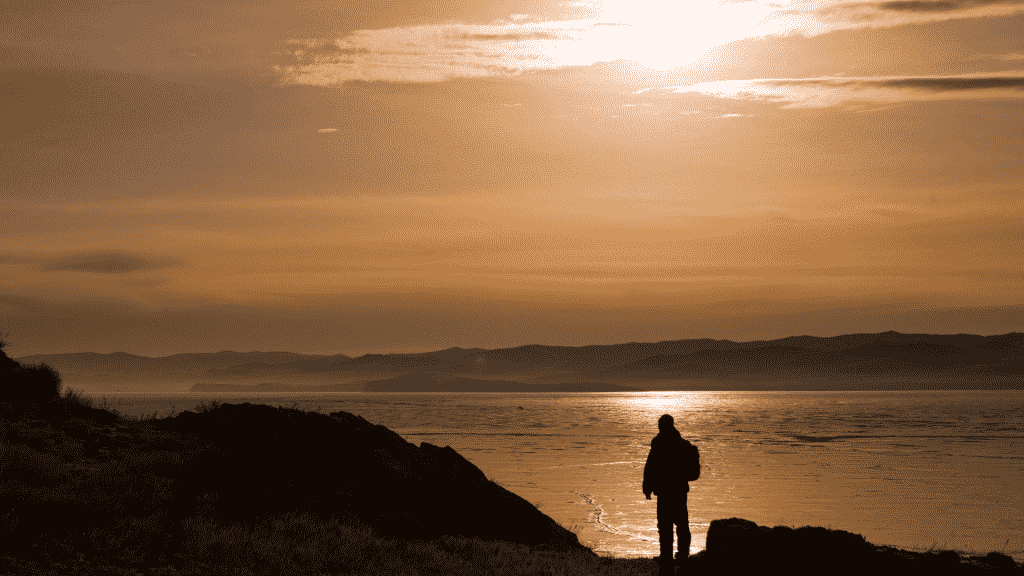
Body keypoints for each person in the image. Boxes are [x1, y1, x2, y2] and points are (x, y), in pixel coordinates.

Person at [643, 414, 694, 568]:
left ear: (663, 425)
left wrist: (647, 487)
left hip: (666, 492)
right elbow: (651, 467)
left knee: (666, 525)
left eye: (660, 424)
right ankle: (682, 555)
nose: (658, 426)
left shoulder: (658, 442)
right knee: (681, 524)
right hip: (678, 491)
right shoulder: (681, 443)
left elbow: (650, 467)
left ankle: (667, 556)